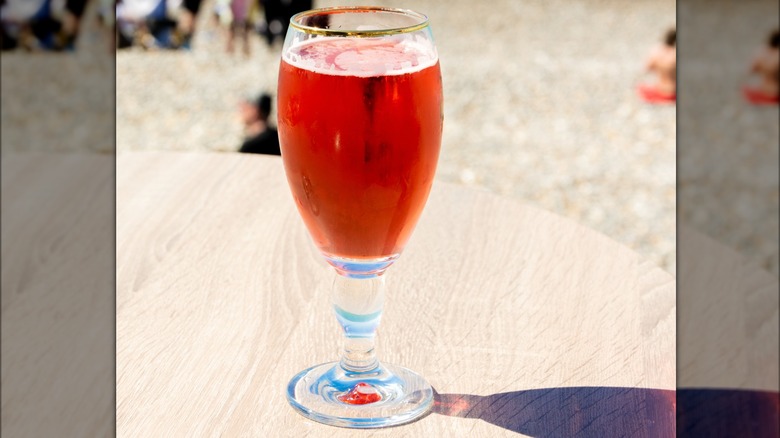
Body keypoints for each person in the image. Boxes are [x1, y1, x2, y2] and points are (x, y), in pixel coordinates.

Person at [638, 28, 676, 104]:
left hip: (660, 91)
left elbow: (647, 68)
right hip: (675, 92)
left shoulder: (657, 52)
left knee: (641, 87)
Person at [743, 29, 779, 105]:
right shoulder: (777, 56)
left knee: (745, 90)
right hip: (776, 93)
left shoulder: (761, 53)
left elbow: (750, 70)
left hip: (764, 91)